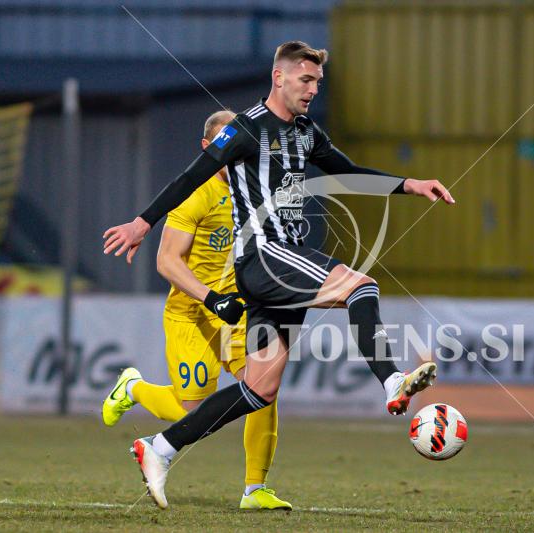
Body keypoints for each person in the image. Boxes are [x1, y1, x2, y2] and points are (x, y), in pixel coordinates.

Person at [103, 41, 455, 509]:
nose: (312, 89)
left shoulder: (307, 132)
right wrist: (142, 223)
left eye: (317, 82)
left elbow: (347, 172)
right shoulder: (246, 129)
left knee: (260, 389)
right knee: (361, 286)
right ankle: (391, 381)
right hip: (266, 255)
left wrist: (410, 184)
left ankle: (161, 448)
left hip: (276, 267)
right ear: (279, 77)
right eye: (305, 80)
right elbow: (191, 176)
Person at [101, 110, 291, 511]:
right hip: (193, 310)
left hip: (237, 310)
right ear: (208, 148)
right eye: (225, 143)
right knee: (190, 409)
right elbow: (167, 261)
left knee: (263, 386)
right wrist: (211, 298)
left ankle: (255, 489)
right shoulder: (196, 193)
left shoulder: (255, 189)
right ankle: (132, 388)